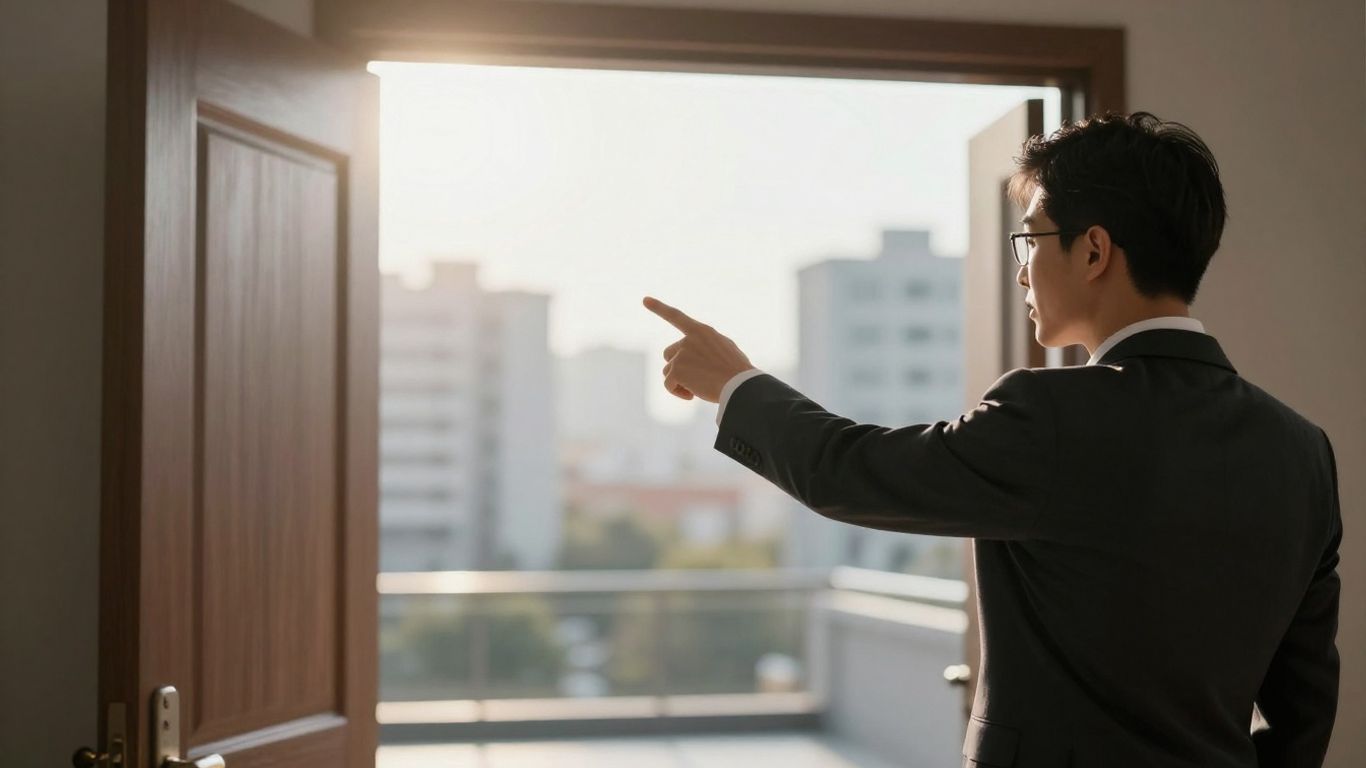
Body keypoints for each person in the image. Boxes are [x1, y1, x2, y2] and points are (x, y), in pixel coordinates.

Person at [643, 112, 1340, 768]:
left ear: (1094, 249)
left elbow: (854, 473)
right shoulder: (1303, 450)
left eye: (1031, 238)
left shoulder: (1054, 416)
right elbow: (1302, 705)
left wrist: (735, 385)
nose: (1020, 271)